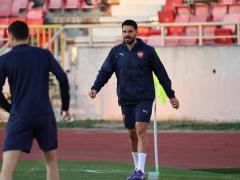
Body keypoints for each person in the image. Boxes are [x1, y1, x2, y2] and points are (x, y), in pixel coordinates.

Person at [89, 19, 179, 180]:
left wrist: (170, 95)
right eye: (124, 31)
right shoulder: (115, 52)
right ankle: (136, 168)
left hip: (144, 97)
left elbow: (161, 73)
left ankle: (140, 172)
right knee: (132, 133)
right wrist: (95, 87)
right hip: (125, 98)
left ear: (136, 32)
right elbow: (105, 72)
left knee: (140, 129)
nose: (127, 34)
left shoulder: (148, 51)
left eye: (130, 31)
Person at [0, 21, 70, 180]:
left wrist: (10, 108)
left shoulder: (4, 59)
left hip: (20, 116)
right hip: (44, 115)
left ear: (10, 36)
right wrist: (65, 106)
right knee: (51, 164)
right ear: (28, 35)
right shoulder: (44, 54)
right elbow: (62, 78)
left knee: (7, 169)